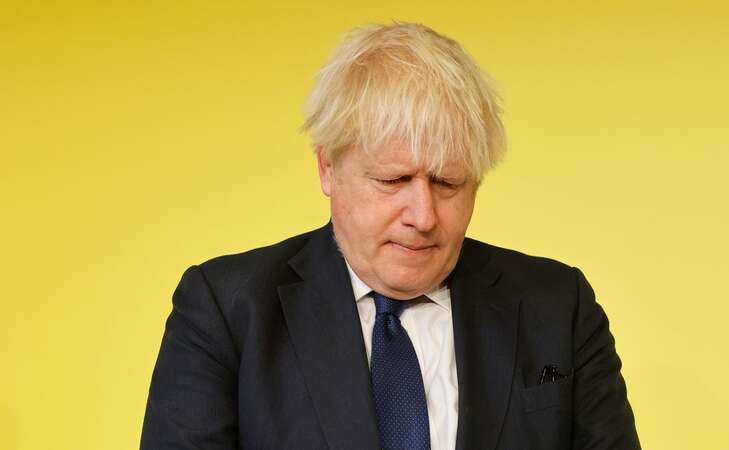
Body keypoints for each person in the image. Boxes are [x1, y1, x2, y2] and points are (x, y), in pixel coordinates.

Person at [140, 22, 641, 450]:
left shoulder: (558, 307)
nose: (423, 215)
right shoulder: (225, 311)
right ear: (328, 169)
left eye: (448, 182)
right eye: (392, 180)